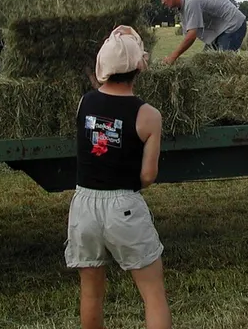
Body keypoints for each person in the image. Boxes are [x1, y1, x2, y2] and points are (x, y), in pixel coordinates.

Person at [65, 25, 172, 329]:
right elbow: (148, 175)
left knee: (91, 293)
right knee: (153, 294)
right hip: (123, 206)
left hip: (83, 205)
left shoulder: (84, 103)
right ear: (139, 66)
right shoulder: (149, 115)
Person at [155, 0, 247, 65]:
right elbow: (187, 36)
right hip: (219, 31)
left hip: (232, 25)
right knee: (205, 62)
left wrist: (172, 57)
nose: (162, 2)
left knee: (223, 64)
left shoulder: (191, 3)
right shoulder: (182, 9)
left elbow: (191, 36)